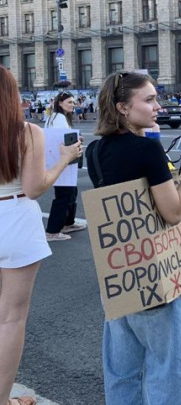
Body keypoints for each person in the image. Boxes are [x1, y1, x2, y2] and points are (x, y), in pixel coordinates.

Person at [85, 71, 181, 404]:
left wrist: (152, 145)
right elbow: (173, 211)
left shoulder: (96, 150)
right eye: (149, 99)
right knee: (174, 372)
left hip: (119, 276)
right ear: (123, 107)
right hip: (157, 276)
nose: (158, 106)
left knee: (124, 373)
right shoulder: (146, 152)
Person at [1, 66, 82, 405]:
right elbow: (35, 188)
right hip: (16, 219)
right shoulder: (25, 132)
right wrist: (64, 159)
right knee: (11, 317)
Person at [43, 92, 86, 241]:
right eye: (69, 102)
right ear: (60, 103)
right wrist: (76, 140)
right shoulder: (59, 118)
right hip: (63, 160)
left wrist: (76, 137)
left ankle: (68, 223)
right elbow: (62, 140)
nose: (73, 105)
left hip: (59, 160)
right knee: (64, 195)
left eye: (74, 102)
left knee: (70, 192)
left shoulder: (53, 117)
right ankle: (52, 231)